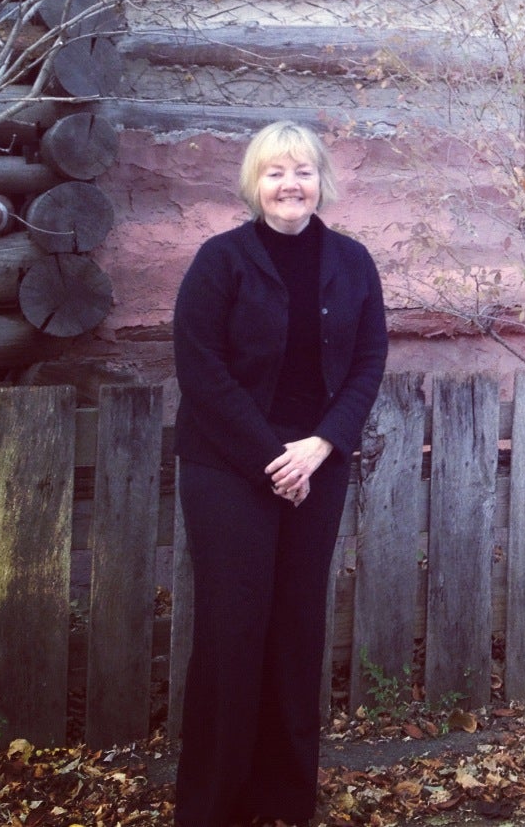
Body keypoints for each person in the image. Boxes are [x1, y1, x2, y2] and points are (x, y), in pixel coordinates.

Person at [172, 121, 388, 827]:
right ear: (252, 183)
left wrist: (320, 446)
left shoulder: (353, 263)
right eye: (274, 172)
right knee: (233, 633)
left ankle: (285, 802)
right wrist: (274, 459)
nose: (289, 184)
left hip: (315, 468)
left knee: (296, 633)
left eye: (302, 170)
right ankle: (213, 807)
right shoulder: (220, 261)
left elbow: (367, 363)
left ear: (320, 179)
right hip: (229, 468)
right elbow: (200, 369)